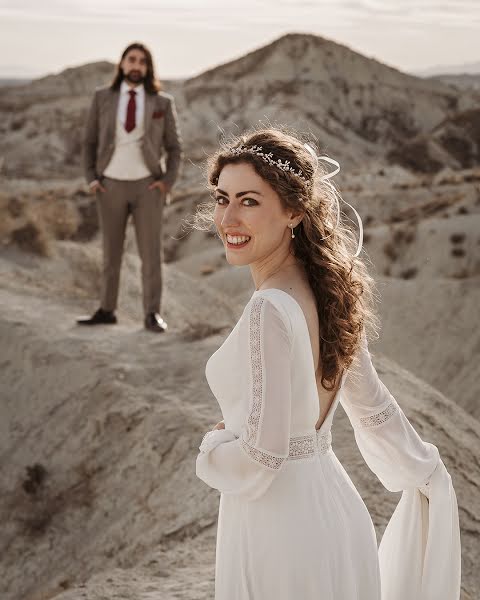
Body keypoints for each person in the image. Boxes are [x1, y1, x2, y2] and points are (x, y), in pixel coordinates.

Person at [195, 129, 460, 599]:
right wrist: (424, 469)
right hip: (337, 518)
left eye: (249, 201)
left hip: (279, 533)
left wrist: (214, 446)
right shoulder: (328, 294)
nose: (228, 217)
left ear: (294, 211)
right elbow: (374, 411)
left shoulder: (268, 309)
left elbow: (263, 456)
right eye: (222, 198)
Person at [77, 42, 183, 333]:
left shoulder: (162, 102)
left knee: (151, 254)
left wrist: (166, 182)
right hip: (109, 184)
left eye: (142, 62)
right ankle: (106, 310)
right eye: (131, 60)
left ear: (148, 68)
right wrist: (92, 178)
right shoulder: (102, 97)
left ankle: (152, 314)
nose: (136, 66)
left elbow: (174, 148)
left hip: (147, 187)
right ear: (122, 64)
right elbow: (88, 142)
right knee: (111, 253)